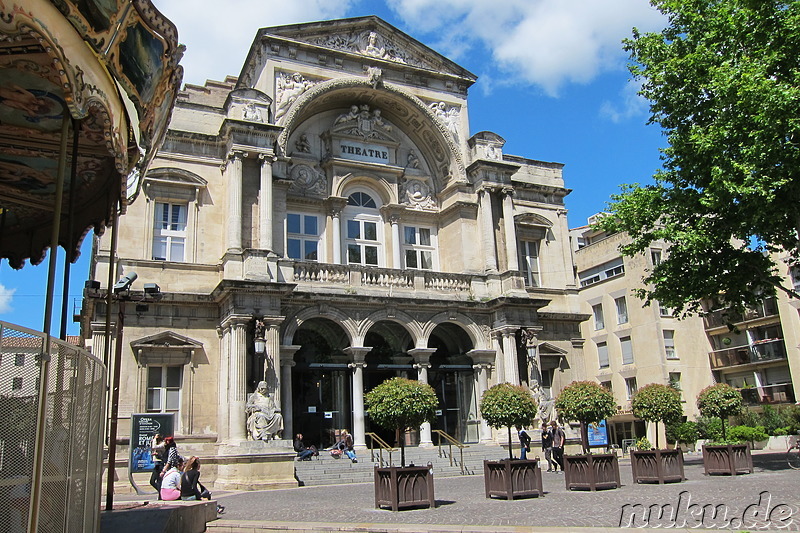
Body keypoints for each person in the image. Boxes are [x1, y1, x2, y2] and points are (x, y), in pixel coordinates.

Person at [150, 433, 166, 497]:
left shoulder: (163, 444)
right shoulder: (157, 444)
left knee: (159, 481)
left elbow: (154, 447)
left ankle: (161, 494)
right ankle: (161, 492)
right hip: (156, 464)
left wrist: (154, 440)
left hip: (160, 464)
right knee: (152, 481)